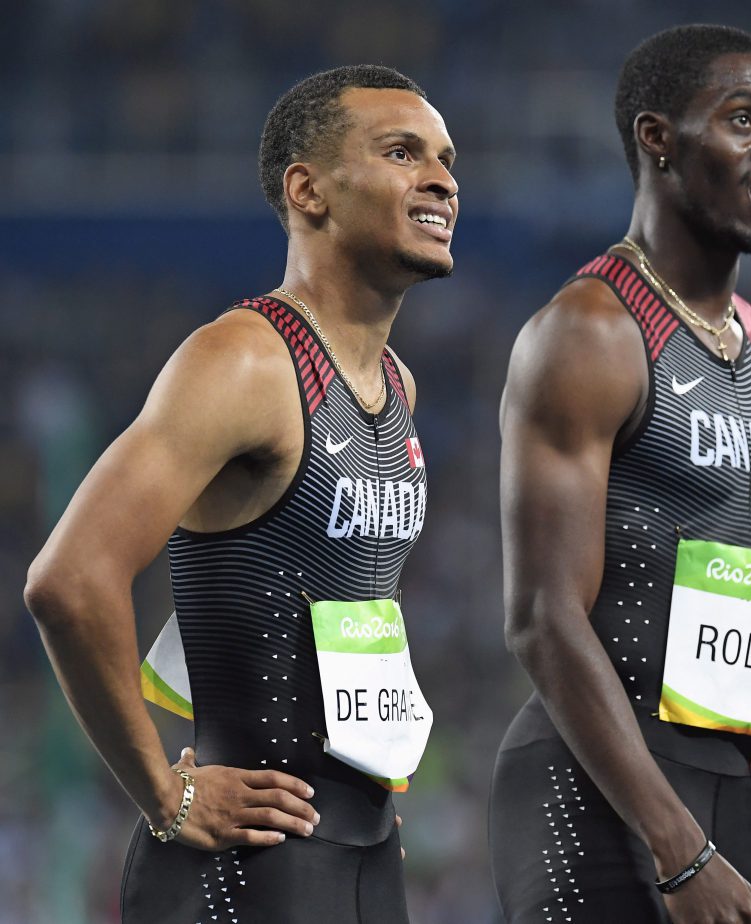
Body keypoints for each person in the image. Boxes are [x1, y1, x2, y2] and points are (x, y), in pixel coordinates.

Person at [24, 64, 458, 922]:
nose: (441, 178)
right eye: (403, 152)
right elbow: (67, 582)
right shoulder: (247, 360)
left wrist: (369, 775)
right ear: (309, 190)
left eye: (446, 158)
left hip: (365, 854)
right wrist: (164, 793)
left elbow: (349, 606)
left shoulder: (396, 385)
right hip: (246, 867)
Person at [491, 24, 751, 923]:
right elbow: (542, 618)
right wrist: (677, 847)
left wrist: (746, 723)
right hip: (595, 791)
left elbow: (736, 581)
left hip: (728, 791)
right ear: (657, 138)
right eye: (744, 119)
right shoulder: (590, 332)